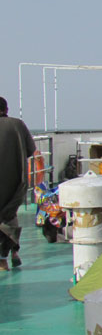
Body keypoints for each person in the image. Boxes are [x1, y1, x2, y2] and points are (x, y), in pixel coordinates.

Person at [0, 96, 36, 271]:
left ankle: (2, 259)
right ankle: (13, 252)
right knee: (10, 215)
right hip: (16, 181)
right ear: (6, 109)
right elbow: (30, 150)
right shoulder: (18, 124)